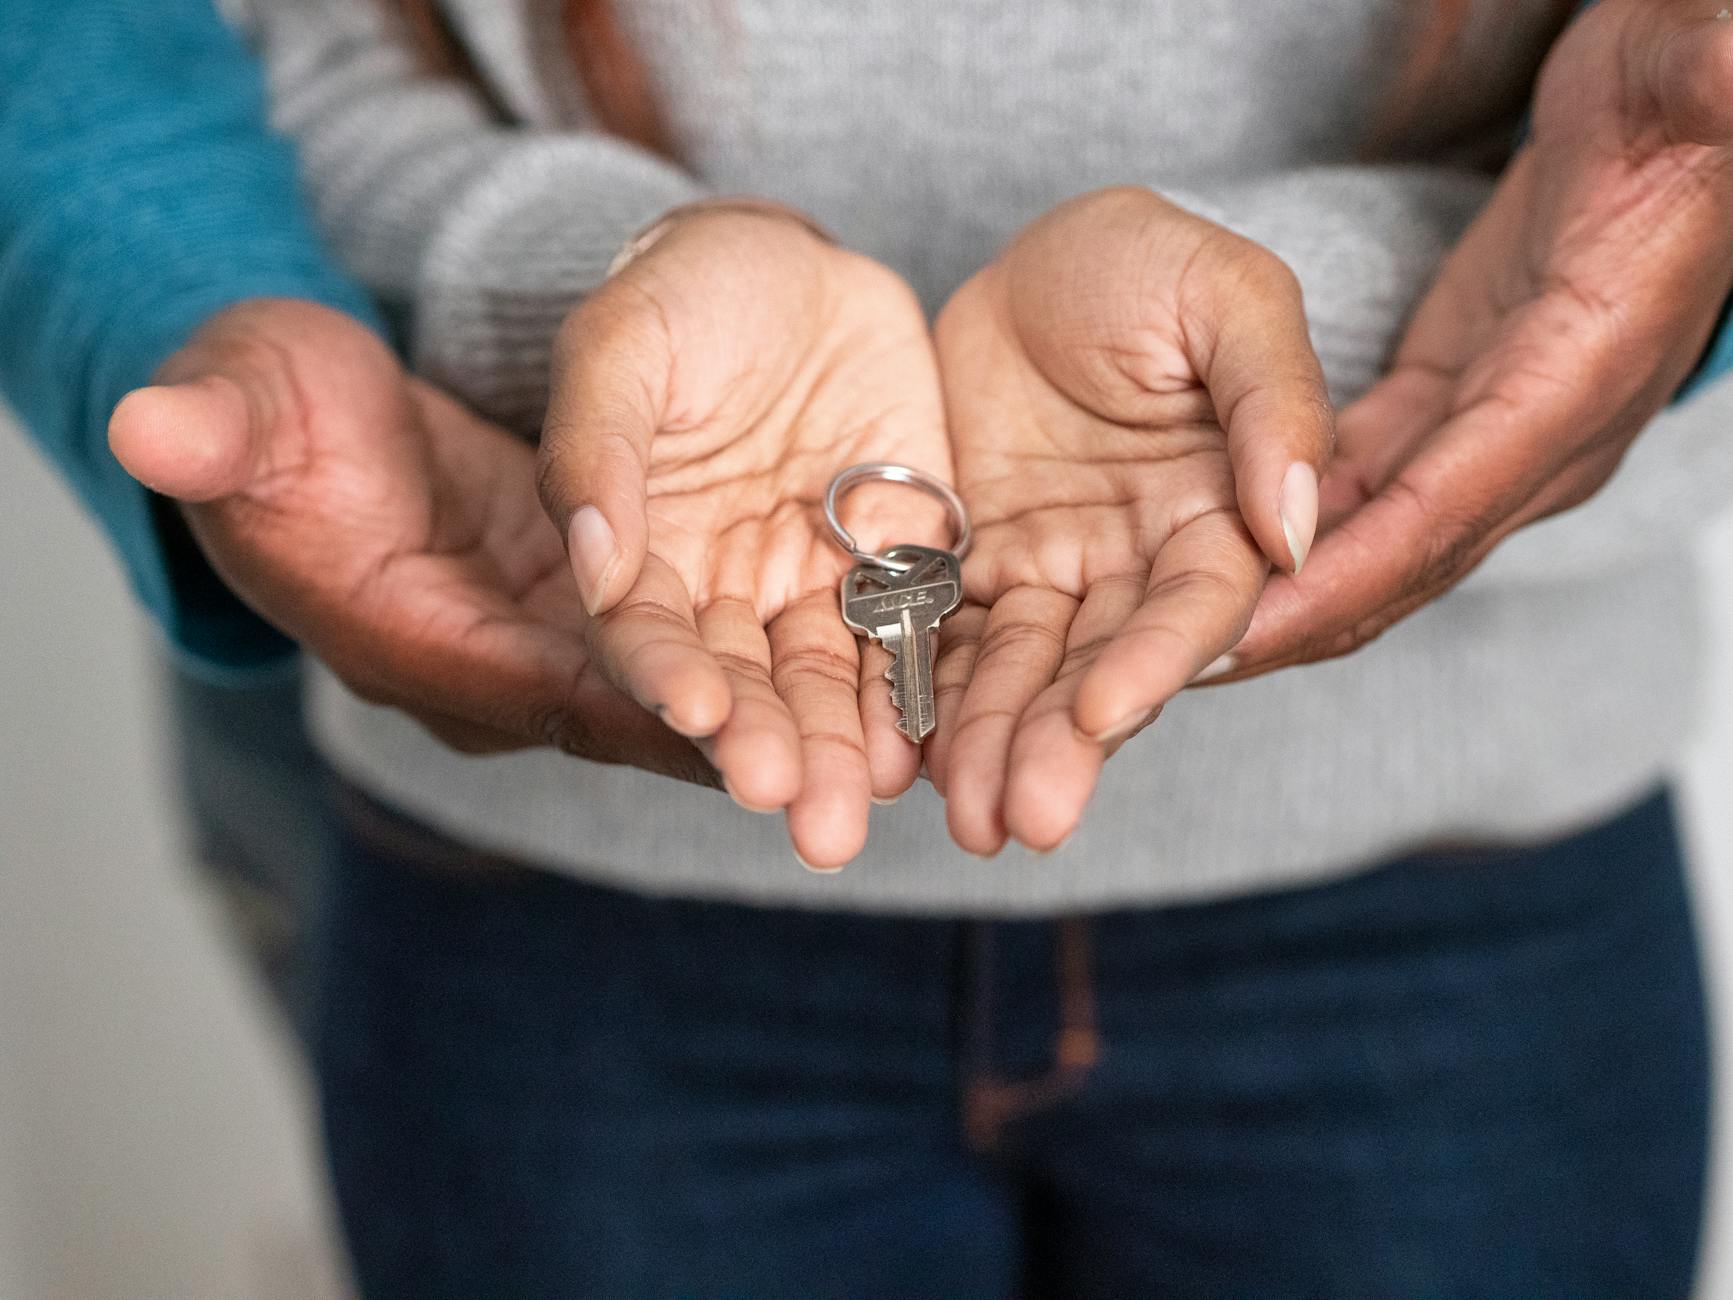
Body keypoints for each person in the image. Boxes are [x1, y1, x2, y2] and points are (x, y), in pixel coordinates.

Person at [3, 1, 1731, 1296]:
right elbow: (286, 33)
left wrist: (1321, 316)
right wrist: (585, 288)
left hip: (1470, 890)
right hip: (559, 940)